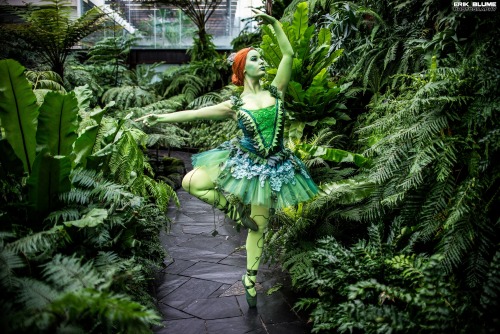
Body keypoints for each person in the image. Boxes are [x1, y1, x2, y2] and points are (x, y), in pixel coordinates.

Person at [136, 10, 318, 308]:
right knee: (191, 181)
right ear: (243, 67)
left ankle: (250, 276)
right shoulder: (234, 104)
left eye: (262, 58)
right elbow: (194, 114)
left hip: (271, 167)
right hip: (242, 159)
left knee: (259, 227)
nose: (264, 63)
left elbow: (288, 54)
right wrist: (161, 115)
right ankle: (234, 212)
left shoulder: (277, 91)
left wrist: (275, 26)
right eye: (257, 59)